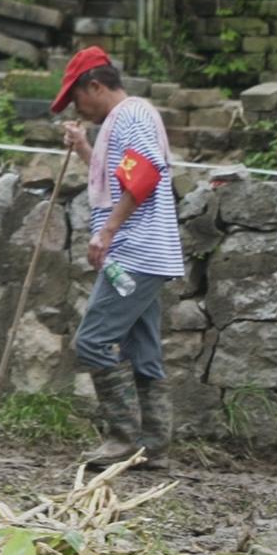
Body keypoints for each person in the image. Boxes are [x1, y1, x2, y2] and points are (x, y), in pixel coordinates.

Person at [54, 46, 182, 465]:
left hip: (135, 252)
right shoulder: (130, 118)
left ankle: (123, 438)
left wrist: (106, 232)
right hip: (148, 253)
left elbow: (143, 175)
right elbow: (122, 178)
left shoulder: (129, 115)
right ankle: (154, 445)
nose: (79, 108)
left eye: (77, 99)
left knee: (92, 341)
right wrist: (84, 150)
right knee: (142, 349)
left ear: (95, 86)